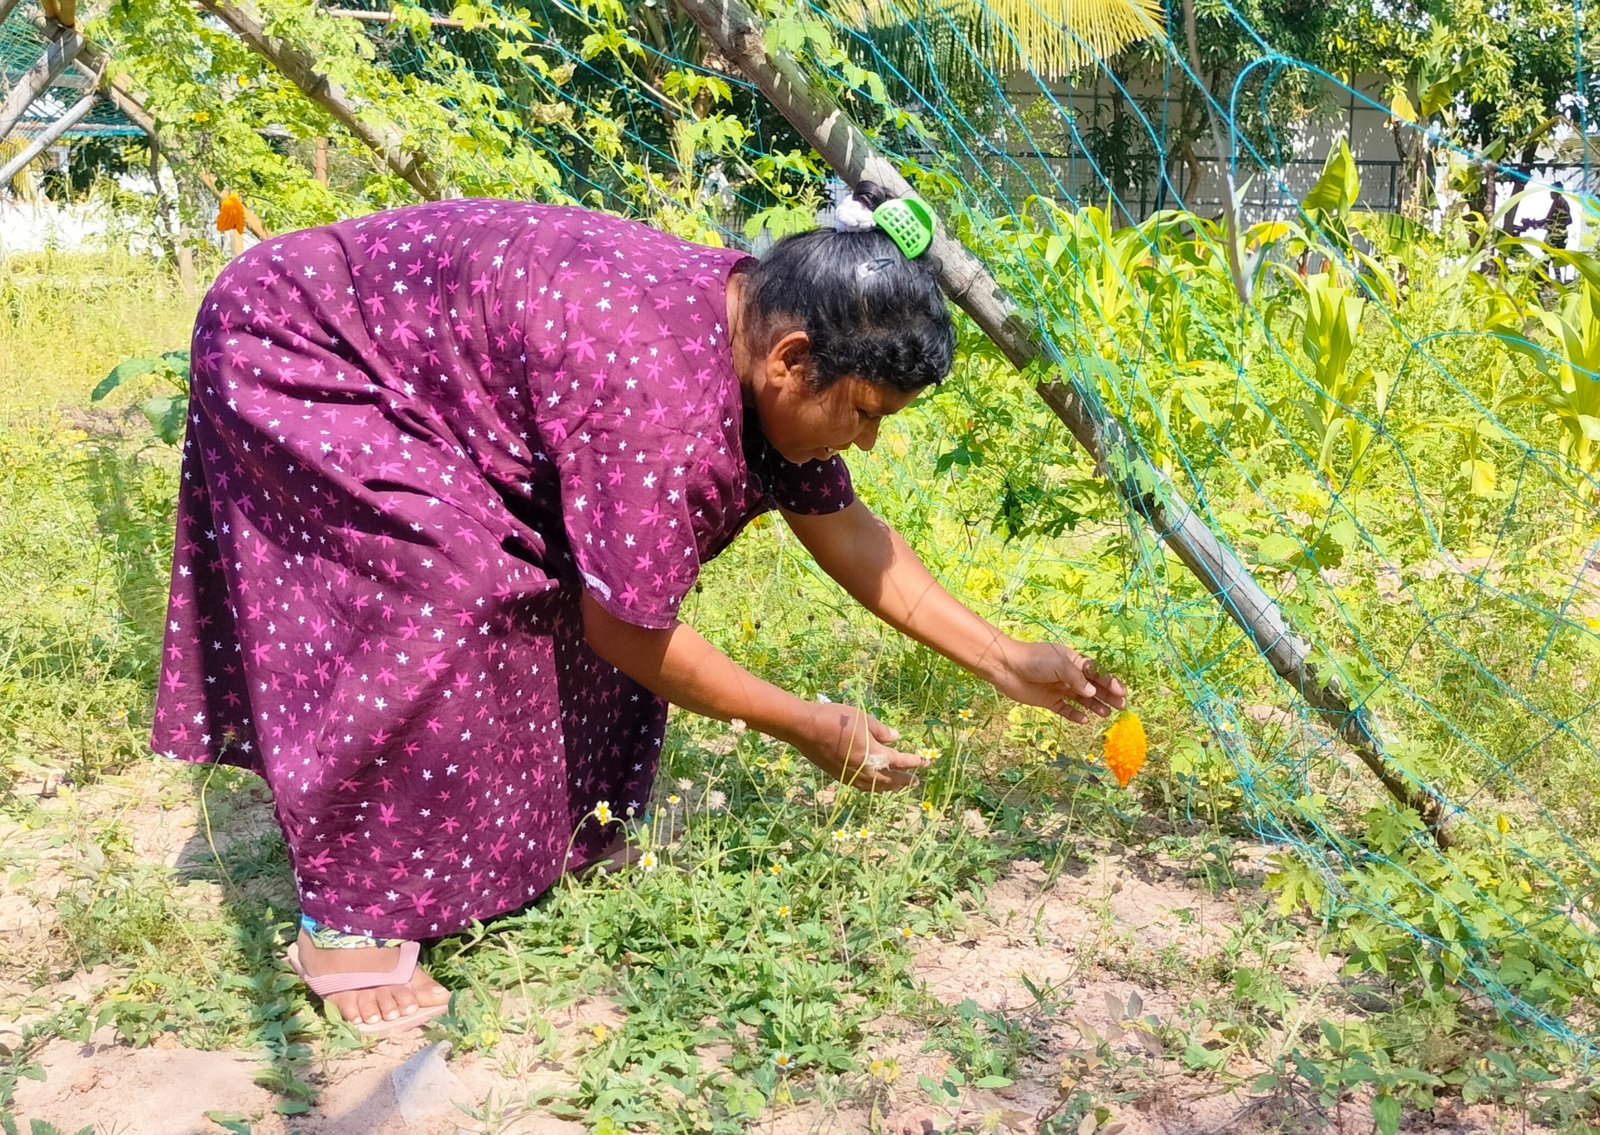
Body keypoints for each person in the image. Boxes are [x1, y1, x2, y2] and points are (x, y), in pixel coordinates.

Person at [153, 182, 1127, 1035]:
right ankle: (349, 918)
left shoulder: (751, 328)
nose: (865, 442)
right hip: (304, 341)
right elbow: (629, 630)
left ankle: (527, 843)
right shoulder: (660, 393)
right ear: (791, 359)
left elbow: (845, 529)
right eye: (864, 413)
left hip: (406, 353)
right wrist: (804, 725)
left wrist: (1003, 660)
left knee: (557, 579)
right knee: (442, 592)